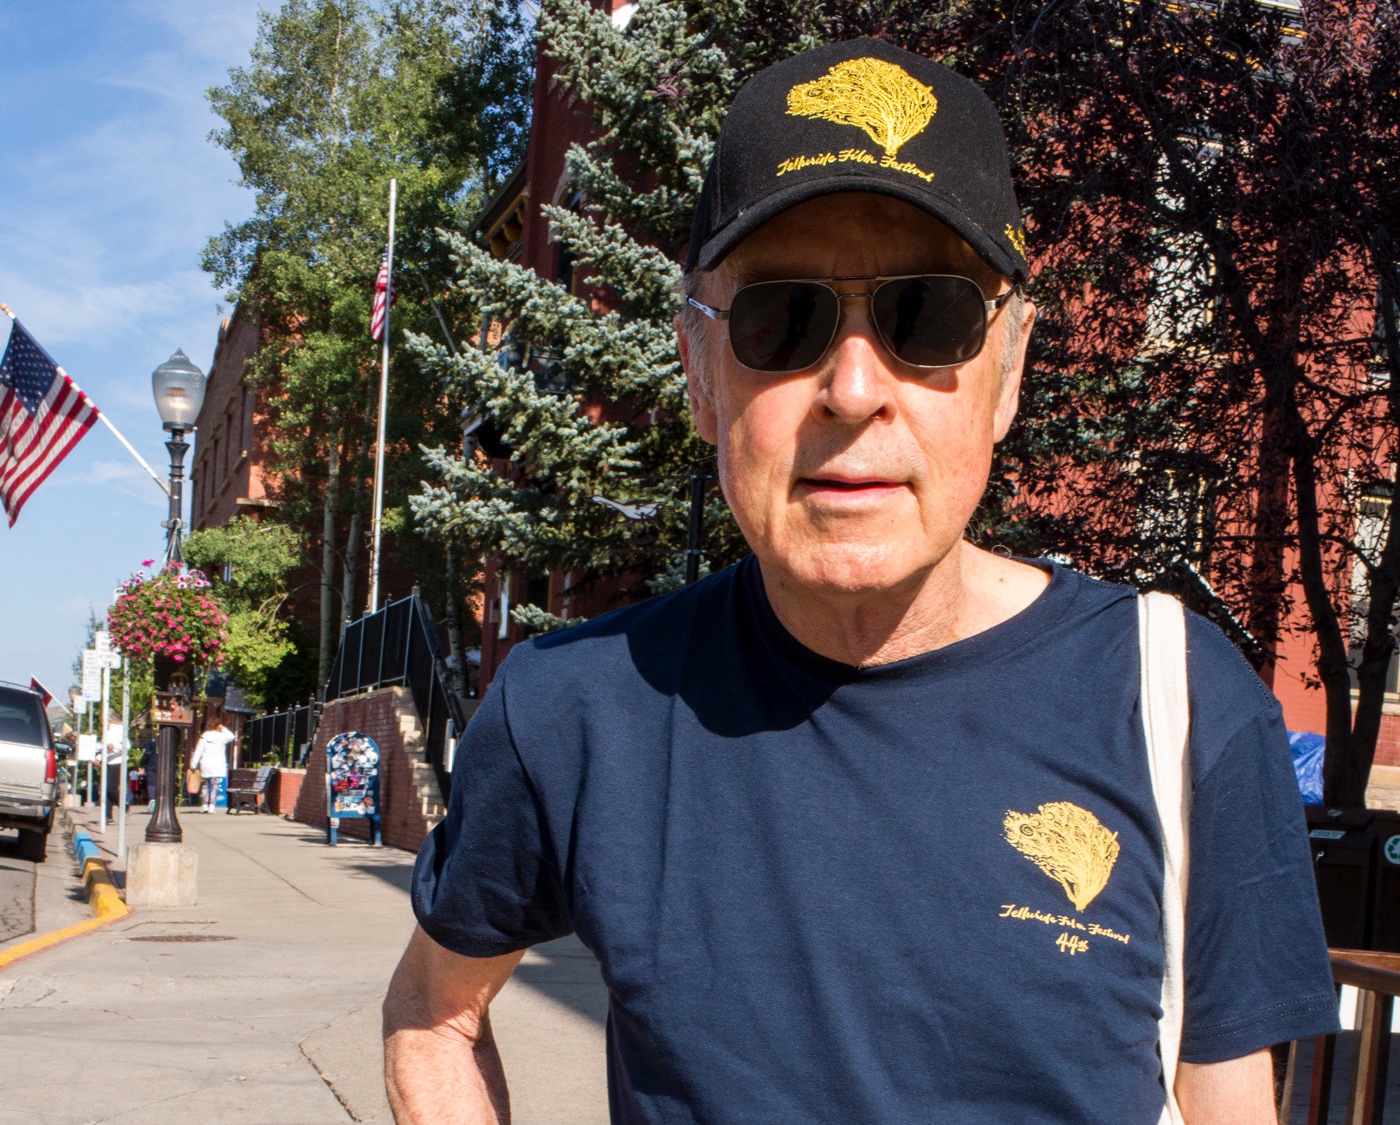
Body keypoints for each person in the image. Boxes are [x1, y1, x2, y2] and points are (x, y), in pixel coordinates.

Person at [384, 39, 1338, 1125]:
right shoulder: (573, 707)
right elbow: (432, 1009)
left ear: (1008, 371)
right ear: (699, 373)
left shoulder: (1180, 703)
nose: (850, 388)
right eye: (779, 319)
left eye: (924, 316)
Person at [188, 713, 234, 814]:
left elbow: (198, 751)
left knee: (205, 785)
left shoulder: (204, 737)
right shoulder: (222, 737)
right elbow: (232, 736)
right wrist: (223, 729)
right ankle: (212, 805)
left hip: (205, 764)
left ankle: (204, 804)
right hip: (217, 764)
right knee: (215, 786)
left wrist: (193, 765)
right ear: (218, 725)